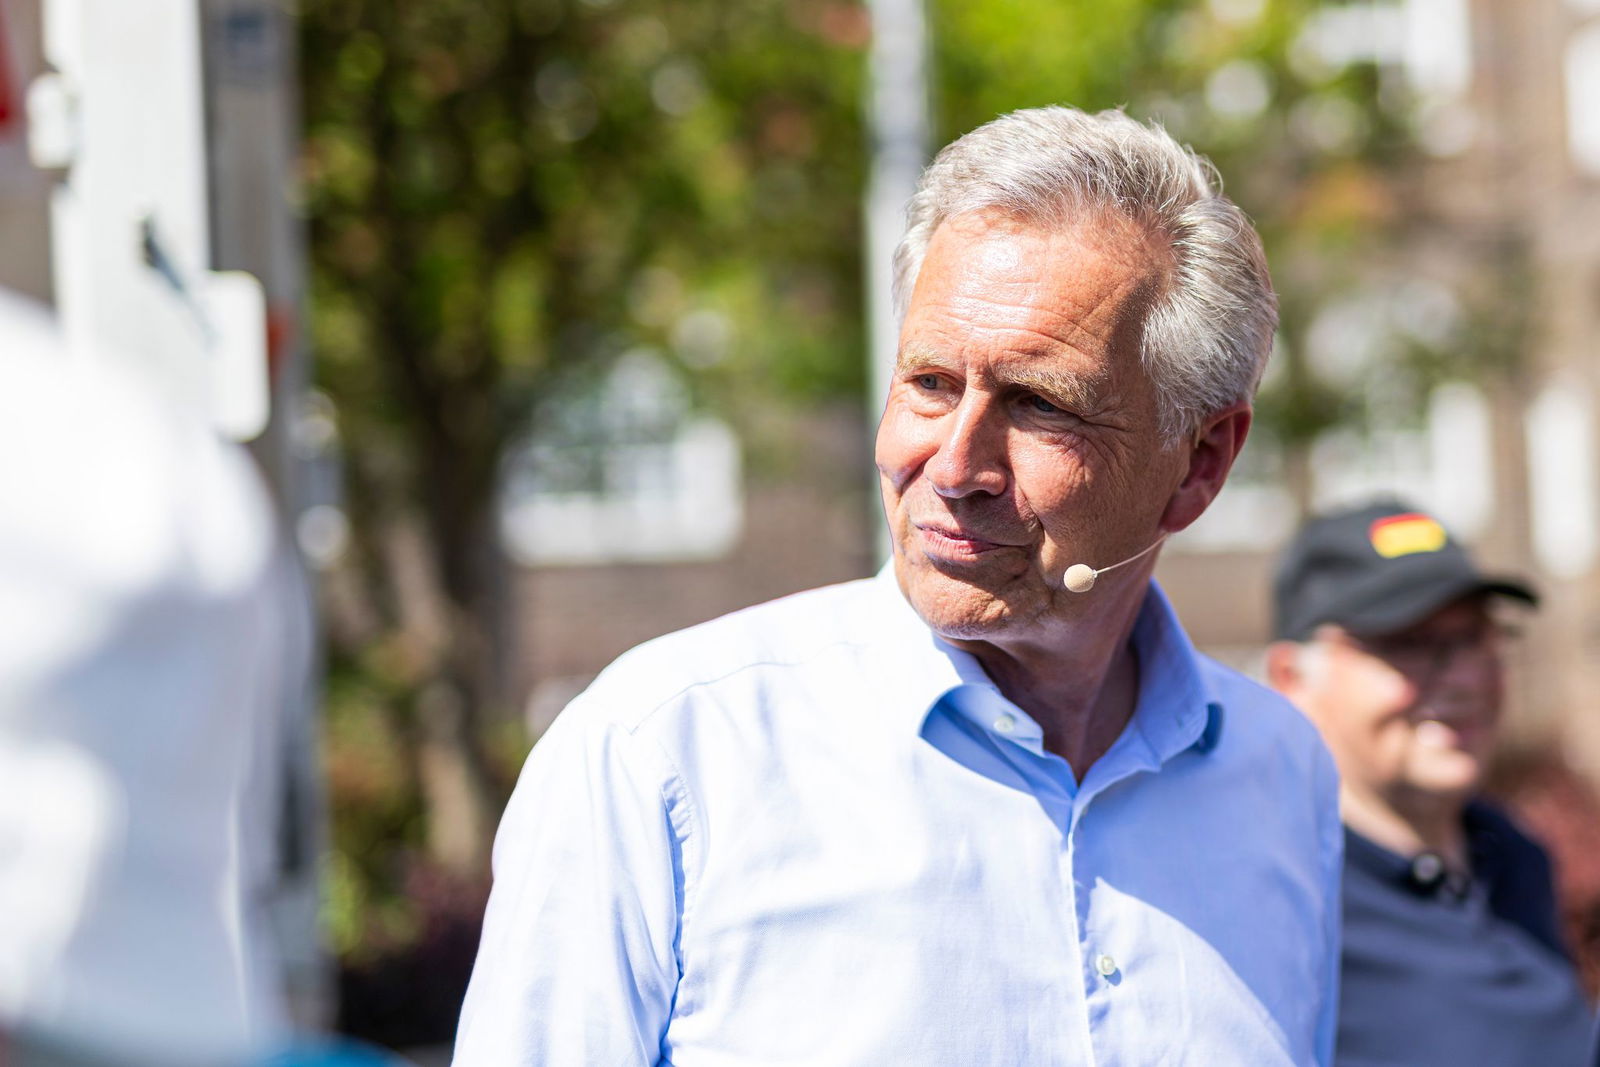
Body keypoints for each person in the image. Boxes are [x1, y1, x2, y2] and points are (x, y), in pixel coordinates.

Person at [454, 105, 1342, 1065]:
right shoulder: (665, 752)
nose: (953, 464)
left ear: (1202, 461)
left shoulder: (1281, 775)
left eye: (1041, 404)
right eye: (928, 382)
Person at [1264, 500, 1594, 1066]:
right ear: (1293, 677)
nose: (1465, 678)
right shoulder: (1280, 892)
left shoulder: (1512, 856)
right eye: (1411, 644)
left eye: (1479, 638)